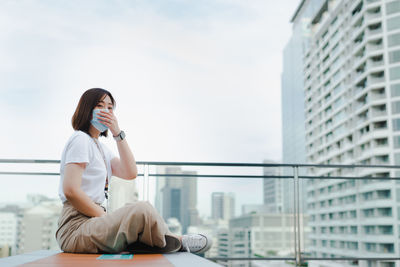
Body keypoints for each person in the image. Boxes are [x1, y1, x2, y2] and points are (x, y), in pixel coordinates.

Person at [55, 88, 212, 254]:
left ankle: (144, 243)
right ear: (87, 109)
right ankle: (179, 242)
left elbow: (130, 172)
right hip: (75, 228)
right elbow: (71, 191)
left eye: (110, 108)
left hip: (93, 221)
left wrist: (118, 134)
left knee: (142, 210)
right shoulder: (80, 139)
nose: (106, 111)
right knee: (142, 210)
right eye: (100, 106)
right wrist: (104, 216)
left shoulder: (100, 148)